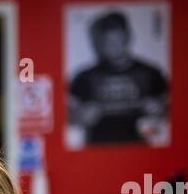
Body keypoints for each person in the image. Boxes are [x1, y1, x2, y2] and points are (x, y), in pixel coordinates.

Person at [68, 10, 169, 145]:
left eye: (117, 40)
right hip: (97, 150)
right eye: (107, 41)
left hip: (142, 151)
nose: (113, 46)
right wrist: (80, 116)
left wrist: (159, 109)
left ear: (128, 37)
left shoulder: (151, 73)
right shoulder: (84, 77)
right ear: (99, 42)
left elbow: (173, 111)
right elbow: (67, 116)